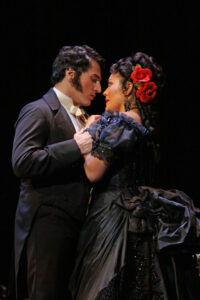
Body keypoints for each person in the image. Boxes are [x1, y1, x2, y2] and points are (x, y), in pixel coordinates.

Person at [69, 52, 200, 300]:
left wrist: (84, 136)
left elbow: (93, 172)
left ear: (129, 88)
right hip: (136, 220)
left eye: (110, 85)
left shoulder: (120, 123)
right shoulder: (143, 128)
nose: (105, 93)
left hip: (113, 217)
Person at [11, 45, 105, 300]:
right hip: (47, 225)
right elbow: (22, 162)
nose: (98, 89)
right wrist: (76, 145)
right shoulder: (38, 110)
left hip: (76, 228)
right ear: (71, 73)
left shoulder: (81, 116)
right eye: (94, 79)